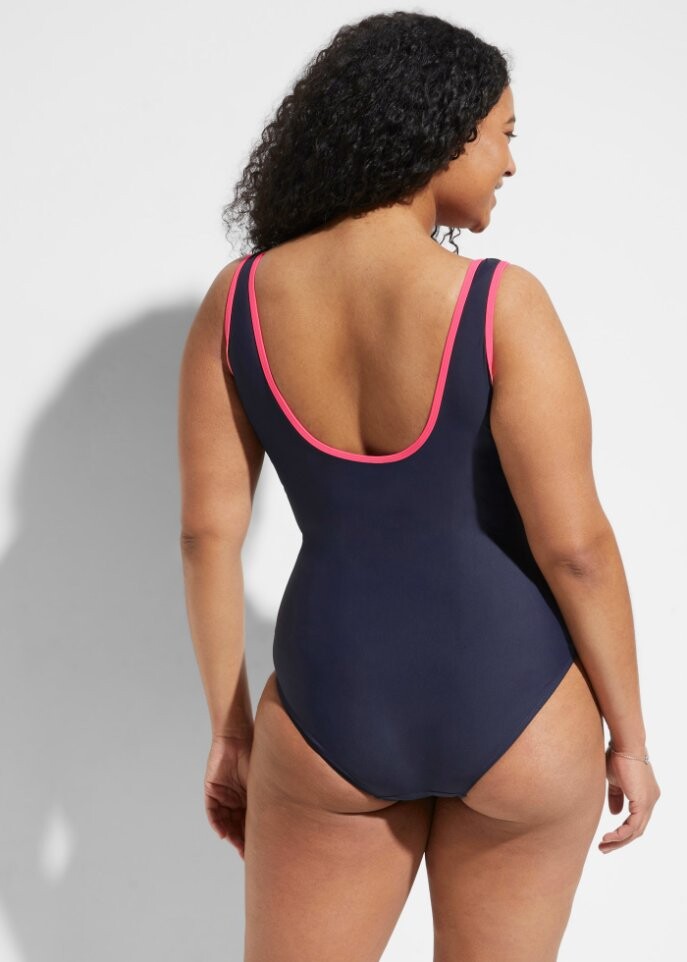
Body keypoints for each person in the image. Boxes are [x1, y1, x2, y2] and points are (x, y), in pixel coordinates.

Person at [177, 11, 661, 962]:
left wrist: (230, 733)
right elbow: (575, 548)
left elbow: (206, 537)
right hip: (522, 708)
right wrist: (631, 741)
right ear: (441, 131)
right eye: (502, 134)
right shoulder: (499, 303)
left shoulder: (237, 303)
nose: (509, 163)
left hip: (327, 710)